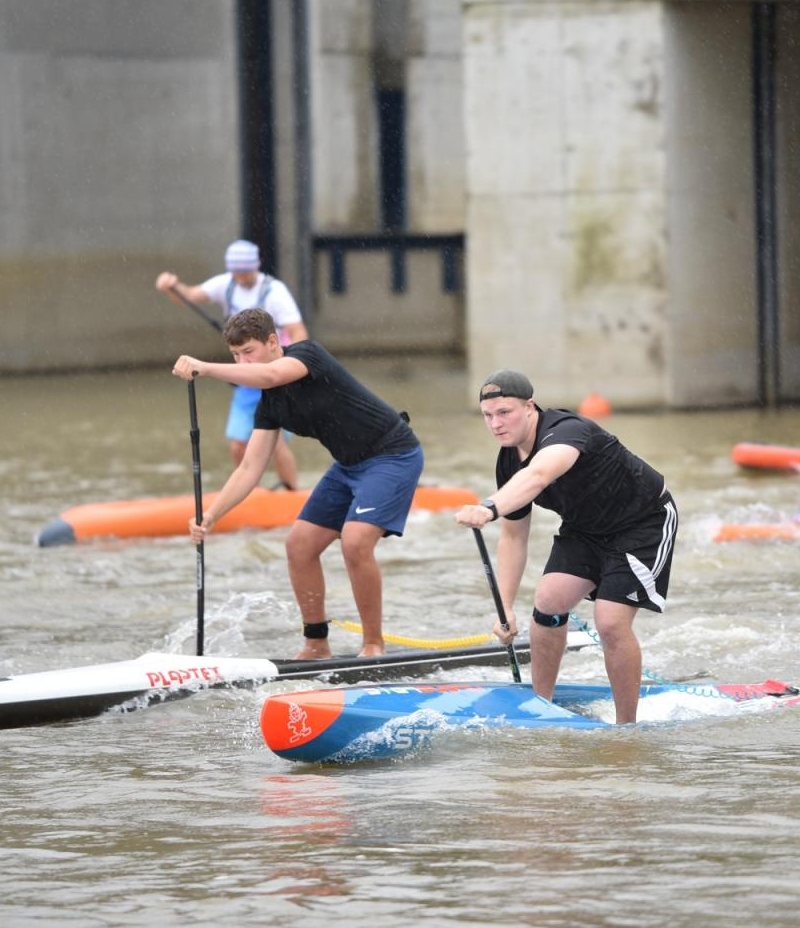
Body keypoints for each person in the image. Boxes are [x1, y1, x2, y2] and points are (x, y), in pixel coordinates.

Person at [172, 308, 424, 659]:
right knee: (299, 545)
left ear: (273, 342)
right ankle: (316, 643)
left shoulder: (307, 355)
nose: (242, 364)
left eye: (249, 353)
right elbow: (249, 469)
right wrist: (211, 515)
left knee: (354, 543)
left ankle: (373, 644)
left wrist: (207, 367)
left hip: (393, 455)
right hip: (349, 466)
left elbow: (272, 373)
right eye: (235, 356)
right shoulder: (269, 405)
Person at [454, 370, 676, 725]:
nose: (495, 424)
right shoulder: (508, 460)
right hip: (585, 529)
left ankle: (626, 729)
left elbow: (538, 475)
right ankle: (542, 708)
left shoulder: (566, 431)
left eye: (504, 412)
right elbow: (513, 536)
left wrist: (489, 507)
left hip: (642, 521)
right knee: (547, 606)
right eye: (487, 415)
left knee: (610, 621)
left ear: (529, 406)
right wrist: (505, 607)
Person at [155, 240, 307, 488]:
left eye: (245, 271)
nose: (240, 276)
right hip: (245, 374)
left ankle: (292, 494)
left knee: (275, 444)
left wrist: (293, 368)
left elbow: (298, 331)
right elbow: (189, 296)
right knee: (238, 444)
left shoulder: (274, 291)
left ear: (255, 267)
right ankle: (247, 492)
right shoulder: (225, 283)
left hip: (274, 372)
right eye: (236, 271)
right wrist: (172, 286)